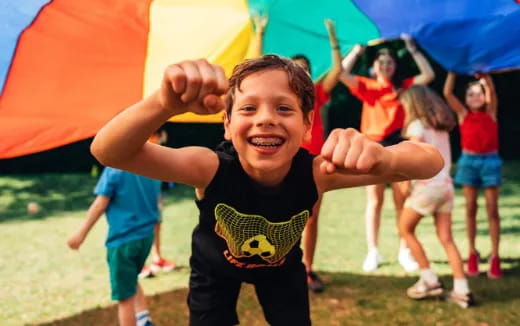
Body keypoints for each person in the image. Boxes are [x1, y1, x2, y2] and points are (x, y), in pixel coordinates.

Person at [90, 54, 443, 325]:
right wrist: (163, 105)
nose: (266, 118)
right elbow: (108, 151)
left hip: (281, 269)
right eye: (248, 108)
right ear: (227, 125)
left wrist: (380, 156)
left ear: (307, 126)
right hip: (214, 270)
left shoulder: (319, 173)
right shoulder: (210, 167)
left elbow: (429, 161)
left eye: (284, 108)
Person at [254, 15, 343, 292]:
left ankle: (307, 269)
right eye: (296, 68)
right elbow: (256, 74)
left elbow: (337, 71)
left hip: (314, 164)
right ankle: (274, 266)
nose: (301, 72)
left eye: (305, 69)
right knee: (278, 214)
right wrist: (259, 33)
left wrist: (333, 38)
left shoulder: (316, 93)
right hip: (283, 161)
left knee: (311, 218)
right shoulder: (278, 94)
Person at [340, 35, 435, 272]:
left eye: (389, 62)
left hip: (399, 147)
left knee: (402, 201)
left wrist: (412, 49)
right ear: (374, 66)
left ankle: (405, 251)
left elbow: (429, 75)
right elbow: (340, 74)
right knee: (375, 201)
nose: (385, 65)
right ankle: (373, 251)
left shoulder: (404, 87)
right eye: (380, 62)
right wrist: (357, 49)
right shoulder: (367, 86)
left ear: (395, 66)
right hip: (372, 147)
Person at [67, 142, 162, 326]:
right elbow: (158, 201)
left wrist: (80, 235)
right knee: (131, 277)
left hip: (123, 242)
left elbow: (99, 204)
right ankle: (144, 320)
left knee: (124, 299)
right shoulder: (152, 167)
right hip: (145, 237)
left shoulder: (115, 169)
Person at [399, 85, 474, 308]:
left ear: (413, 104)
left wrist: (404, 187)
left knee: (405, 230)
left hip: (428, 187)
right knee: (446, 238)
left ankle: (429, 280)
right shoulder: (440, 127)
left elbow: (410, 159)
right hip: (446, 187)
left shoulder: (417, 126)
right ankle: (462, 290)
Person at [443, 72, 502, 278]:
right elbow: (447, 92)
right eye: (470, 94)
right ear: (465, 99)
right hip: (469, 162)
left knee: (492, 209)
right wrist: (452, 70)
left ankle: (495, 256)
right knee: (470, 209)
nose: (475, 98)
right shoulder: (463, 115)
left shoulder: (491, 113)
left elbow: (492, 92)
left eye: (479, 94)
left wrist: (485, 77)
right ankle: (472, 252)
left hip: (490, 162)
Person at [139, 130, 177, 278]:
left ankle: (157, 258)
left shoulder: (158, 147)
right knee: (142, 224)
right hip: (139, 193)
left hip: (155, 192)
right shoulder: (138, 146)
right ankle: (139, 263)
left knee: (156, 222)